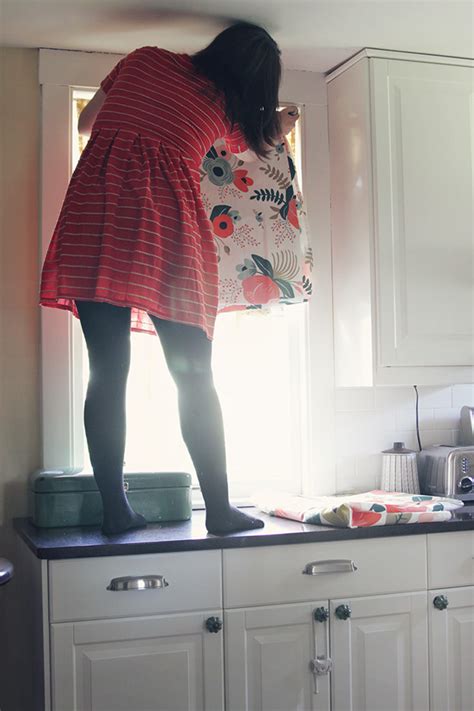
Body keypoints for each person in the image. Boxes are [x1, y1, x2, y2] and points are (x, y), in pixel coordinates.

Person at [40, 22, 299, 536]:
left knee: (106, 371)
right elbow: (265, 138)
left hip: (97, 215)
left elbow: (87, 124)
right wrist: (283, 119)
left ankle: (116, 512)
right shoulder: (227, 105)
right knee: (195, 375)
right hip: (165, 226)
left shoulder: (144, 58)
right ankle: (220, 510)